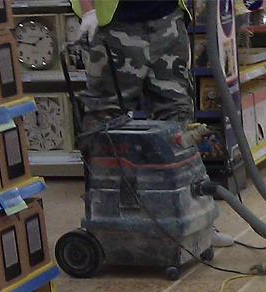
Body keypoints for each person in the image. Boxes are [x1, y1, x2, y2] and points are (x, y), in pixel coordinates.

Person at [71, 0, 234, 247]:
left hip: (167, 22)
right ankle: (105, 223)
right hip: (115, 27)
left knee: (180, 126)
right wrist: (89, 11)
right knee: (104, 128)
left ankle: (194, 223)